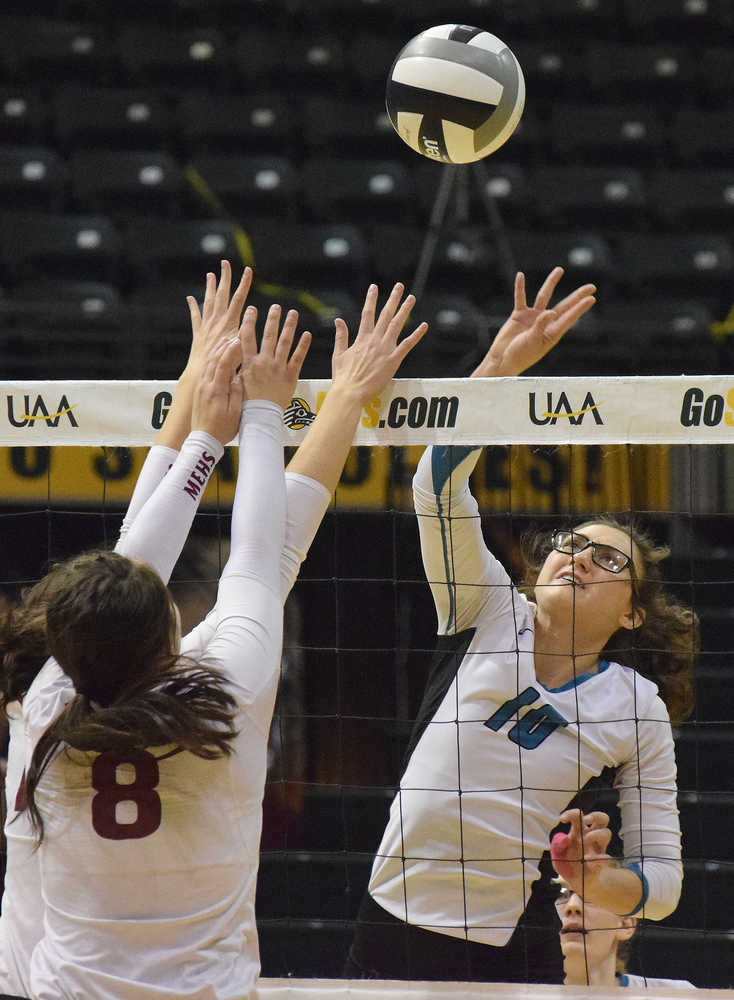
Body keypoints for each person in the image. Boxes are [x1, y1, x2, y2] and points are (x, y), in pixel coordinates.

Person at [14, 262, 427, 999]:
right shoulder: (222, 694)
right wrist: (272, 412)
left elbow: (163, 550)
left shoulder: (48, 710)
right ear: (163, 627)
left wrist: (198, 407)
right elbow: (264, 547)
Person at [347, 266, 699, 984]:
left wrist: (599, 883)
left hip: (511, 941)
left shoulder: (635, 706)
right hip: (390, 919)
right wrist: (500, 368)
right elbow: (436, 485)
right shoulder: (486, 608)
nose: (579, 558)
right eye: (570, 544)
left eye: (607, 558)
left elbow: (662, 885)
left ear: (632, 612)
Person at [555, 881, 696, 990]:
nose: (572, 906)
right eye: (562, 894)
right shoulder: (532, 994)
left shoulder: (678, 994)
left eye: (592, 895)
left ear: (625, 924)